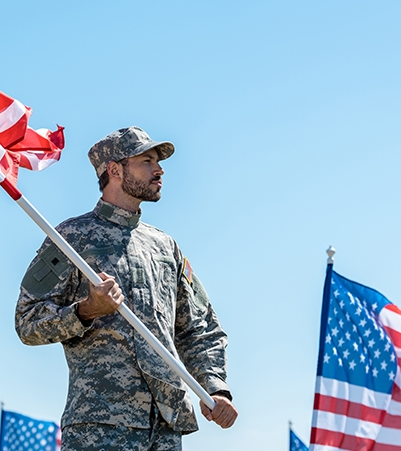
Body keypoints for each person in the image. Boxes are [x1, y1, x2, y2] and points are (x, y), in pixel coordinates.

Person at [15, 126, 237, 450]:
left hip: (165, 427)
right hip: (99, 428)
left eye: (158, 161)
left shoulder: (165, 247)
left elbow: (199, 327)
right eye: (147, 160)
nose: (159, 169)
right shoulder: (70, 239)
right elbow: (27, 321)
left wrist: (215, 386)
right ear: (115, 170)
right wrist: (86, 310)